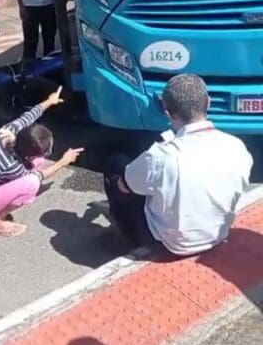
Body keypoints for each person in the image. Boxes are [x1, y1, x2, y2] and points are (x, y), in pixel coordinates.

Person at [104, 74, 253, 255]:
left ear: (168, 113)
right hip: (218, 236)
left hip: (170, 245)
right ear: (209, 102)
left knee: (116, 166)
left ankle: (126, 237)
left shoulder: (161, 156)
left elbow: (124, 185)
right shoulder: (237, 147)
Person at [0, 87, 82, 237]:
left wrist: (50, 101)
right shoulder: (11, 166)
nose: (48, 153)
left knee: (38, 162)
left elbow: (29, 116)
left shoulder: (6, 132)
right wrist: (63, 161)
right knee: (31, 185)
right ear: (28, 155)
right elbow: (38, 176)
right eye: (47, 150)